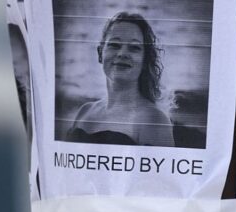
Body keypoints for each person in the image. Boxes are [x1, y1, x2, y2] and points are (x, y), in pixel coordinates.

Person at [67, 12, 173, 146]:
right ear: (100, 53)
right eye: (114, 45)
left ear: (145, 60)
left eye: (134, 48)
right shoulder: (85, 111)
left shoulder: (154, 120)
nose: (122, 53)